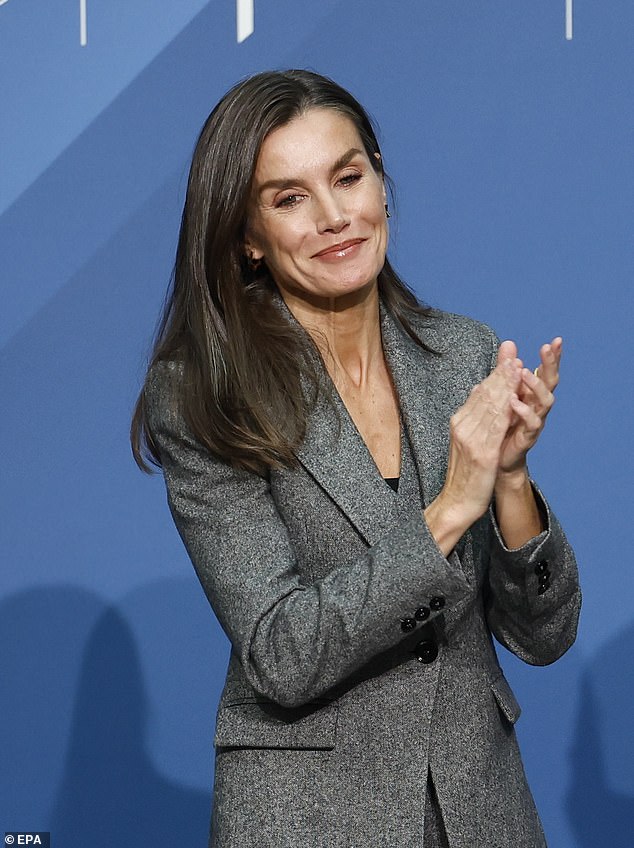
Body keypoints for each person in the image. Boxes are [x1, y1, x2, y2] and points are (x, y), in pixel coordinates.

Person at [131, 69, 581, 847]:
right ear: (246, 236)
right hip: (310, 817)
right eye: (289, 197)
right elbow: (282, 653)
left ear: (380, 177)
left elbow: (544, 637)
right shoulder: (205, 396)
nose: (336, 217)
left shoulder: (461, 353)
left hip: (482, 811)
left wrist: (508, 479)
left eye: (348, 176)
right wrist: (446, 513)